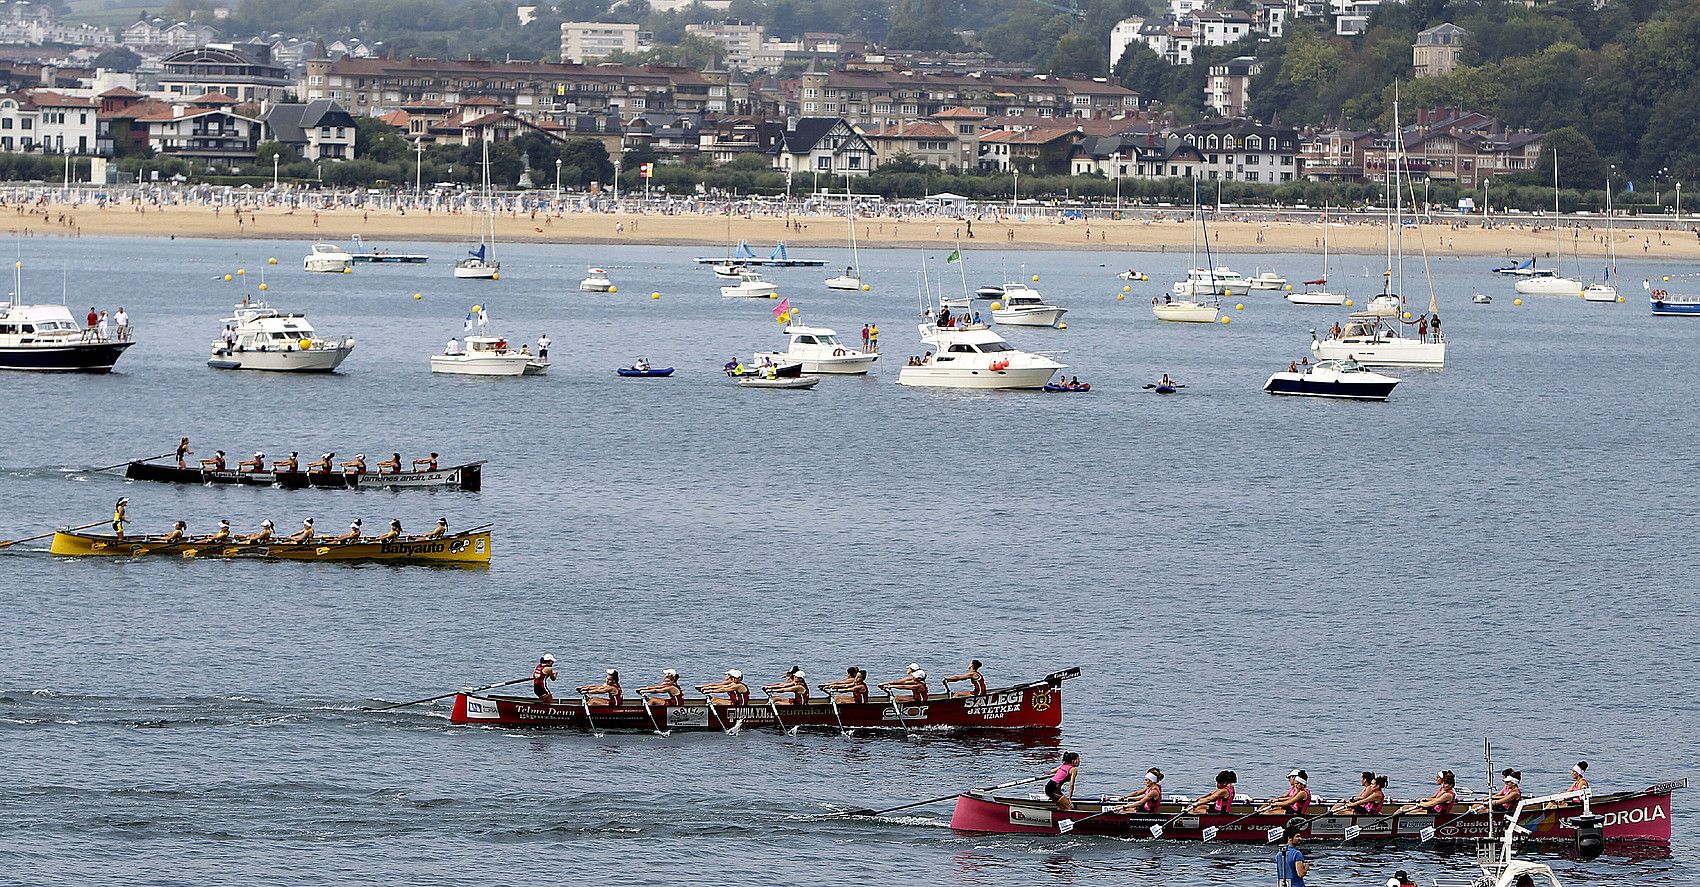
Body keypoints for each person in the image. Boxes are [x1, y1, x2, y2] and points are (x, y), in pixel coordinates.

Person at [1276, 819, 1310, 887]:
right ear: (1290, 838)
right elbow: (1300, 874)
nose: (1300, 838)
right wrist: (1306, 867)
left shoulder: (1279, 854)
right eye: (1297, 836)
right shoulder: (1297, 854)